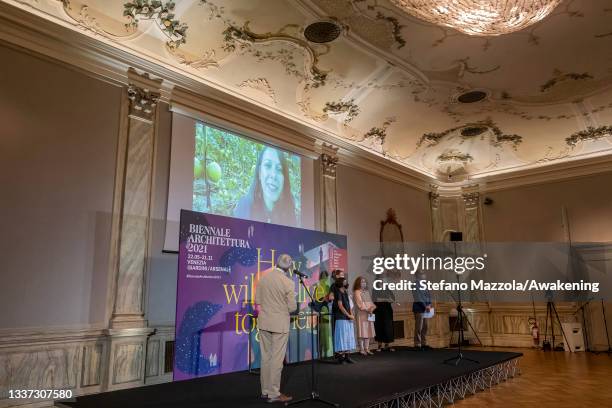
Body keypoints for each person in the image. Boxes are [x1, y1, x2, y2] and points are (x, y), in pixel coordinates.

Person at [255, 254, 297, 403]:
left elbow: (258, 302)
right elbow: (292, 307)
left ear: (276, 263)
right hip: (279, 324)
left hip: (264, 322)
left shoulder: (263, 278)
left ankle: (265, 391)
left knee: (266, 357)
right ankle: (273, 393)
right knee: (277, 360)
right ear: (289, 267)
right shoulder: (288, 282)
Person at [234, 146, 297, 225]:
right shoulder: (244, 206)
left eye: (279, 169)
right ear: (260, 172)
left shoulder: (289, 210)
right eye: (268, 166)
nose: (273, 175)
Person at [332, 277, 356, 364]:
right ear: (340, 283)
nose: (346, 282)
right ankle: (340, 358)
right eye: (344, 281)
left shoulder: (345, 292)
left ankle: (347, 357)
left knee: (348, 336)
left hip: (347, 318)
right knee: (342, 337)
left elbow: (348, 305)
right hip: (341, 318)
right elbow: (340, 306)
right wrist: (348, 315)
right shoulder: (338, 292)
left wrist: (351, 315)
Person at [372, 274, 397, 352]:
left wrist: (389, 299)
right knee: (379, 327)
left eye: (383, 278)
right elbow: (375, 299)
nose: (383, 280)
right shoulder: (375, 288)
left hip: (388, 310)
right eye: (381, 278)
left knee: (388, 327)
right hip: (379, 311)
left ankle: (387, 345)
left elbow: (393, 298)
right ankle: (379, 345)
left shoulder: (387, 287)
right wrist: (386, 299)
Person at [353, 276, 376, 355]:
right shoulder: (357, 292)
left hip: (369, 314)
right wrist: (368, 309)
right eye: (362, 282)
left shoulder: (366, 292)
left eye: (365, 282)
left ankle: (367, 348)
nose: (364, 283)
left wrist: (372, 308)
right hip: (361, 314)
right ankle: (361, 349)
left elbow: (370, 303)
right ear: (358, 283)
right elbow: (360, 304)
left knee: (368, 331)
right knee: (362, 331)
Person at [413, 270, 432, 350]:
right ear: (418, 275)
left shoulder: (425, 284)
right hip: (419, 308)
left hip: (427, 308)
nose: (424, 275)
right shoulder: (415, 284)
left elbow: (428, 295)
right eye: (422, 273)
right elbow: (418, 297)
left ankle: (424, 343)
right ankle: (417, 344)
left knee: (425, 326)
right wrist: (425, 306)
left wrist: (429, 304)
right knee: (419, 327)